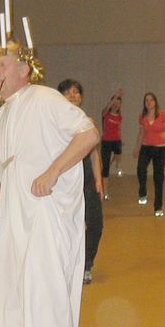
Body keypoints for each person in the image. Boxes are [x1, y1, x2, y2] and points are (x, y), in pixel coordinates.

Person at [0, 30, 98, 327]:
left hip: (47, 215)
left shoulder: (45, 98)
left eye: (2, 65)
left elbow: (88, 134)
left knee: (47, 292)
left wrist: (53, 171)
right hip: (17, 217)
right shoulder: (2, 116)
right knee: (16, 291)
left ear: (24, 70)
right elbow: (12, 167)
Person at [58, 78, 104, 285]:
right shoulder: (55, 123)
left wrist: (98, 181)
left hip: (86, 178)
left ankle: (86, 264)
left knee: (95, 224)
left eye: (76, 92)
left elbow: (94, 154)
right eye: (67, 92)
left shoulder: (88, 122)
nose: (72, 95)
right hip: (64, 180)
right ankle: (65, 264)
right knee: (66, 225)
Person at [133, 92, 165, 217]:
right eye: (146, 100)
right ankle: (143, 191)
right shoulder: (143, 117)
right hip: (146, 147)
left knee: (158, 177)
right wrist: (137, 148)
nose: (149, 102)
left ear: (155, 102)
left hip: (160, 149)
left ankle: (158, 207)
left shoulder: (163, 115)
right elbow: (141, 133)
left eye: (151, 100)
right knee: (140, 170)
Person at [100, 89, 123, 200]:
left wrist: (121, 138)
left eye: (118, 104)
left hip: (116, 140)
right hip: (106, 142)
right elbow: (105, 110)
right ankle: (105, 192)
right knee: (105, 168)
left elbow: (119, 129)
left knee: (119, 151)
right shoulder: (106, 114)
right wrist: (115, 97)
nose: (116, 105)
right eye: (114, 103)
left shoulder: (119, 116)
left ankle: (118, 165)